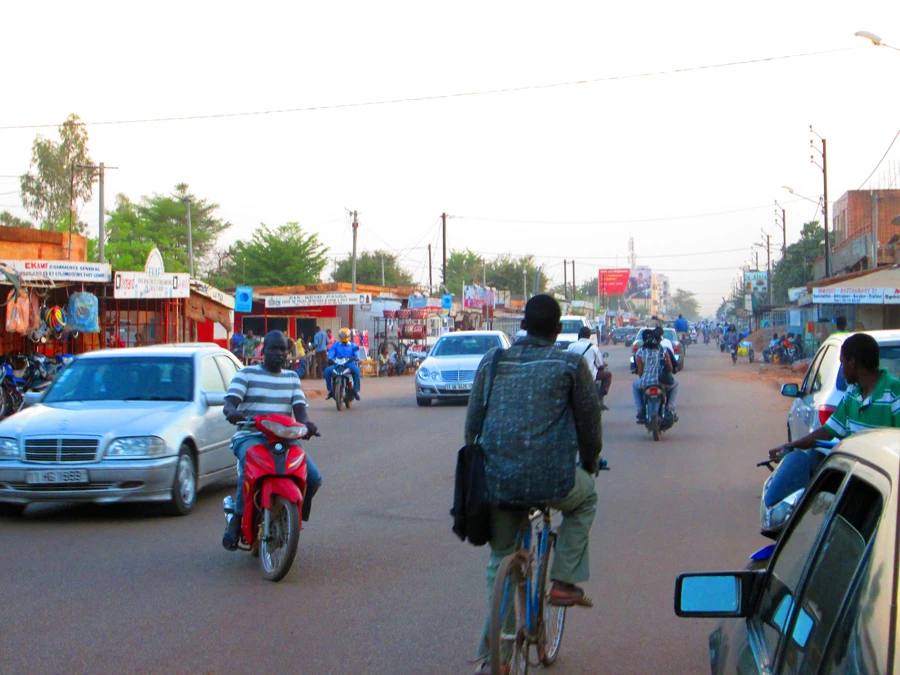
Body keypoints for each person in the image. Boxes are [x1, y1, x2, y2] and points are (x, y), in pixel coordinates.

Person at [465, 294, 602, 674]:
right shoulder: (571, 364)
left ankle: (498, 655)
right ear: (558, 330)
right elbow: (590, 430)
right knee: (586, 497)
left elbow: (472, 425)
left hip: (497, 480)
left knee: (499, 558)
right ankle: (563, 581)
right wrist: (590, 464)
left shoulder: (492, 361)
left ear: (522, 326)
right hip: (553, 480)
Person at [766, 333, 900, 507]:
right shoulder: (852, 393)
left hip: (886, 489)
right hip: (857, 483)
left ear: (853, 363)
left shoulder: (894, 391)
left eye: (843, 362)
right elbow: (827, 431)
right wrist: (790, 447)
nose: (842, 370)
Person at [221, 330, 321, 550]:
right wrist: (232, 412)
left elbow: (300, 410)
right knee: (249, 469)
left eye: (282, 349)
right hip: (250, 436)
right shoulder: (246, 374)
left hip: (284, 438)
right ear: (263, 351)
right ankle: (236, 523)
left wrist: (306, 425)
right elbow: (230, 403)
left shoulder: (292, 378)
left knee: (313, 477)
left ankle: (295, 515)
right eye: (273, 349)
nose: (278, 353)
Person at [633, 328, 677, 422]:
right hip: (661, 382)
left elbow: (640, 372)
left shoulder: (640, 352)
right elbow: (670, 367)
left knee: (635, 386)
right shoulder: (663, 351)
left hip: (645, 382)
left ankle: (640, 411)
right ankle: (670, 409)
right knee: (675, 385)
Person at [567, 326, 610, 410]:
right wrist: (602, 366)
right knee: (608, 375)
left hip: (573, 375)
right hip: (590, 376)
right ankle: (600, 399)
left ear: (579, 335)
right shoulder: (593, 347)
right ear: (589, 336)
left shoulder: (571, 346)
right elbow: (600, 364)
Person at [324, 327, 361, 401]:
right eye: (342, 335)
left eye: (345, 335)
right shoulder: (335, 345)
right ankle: (330, 391)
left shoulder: (353, 345)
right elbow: (331, 354)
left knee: (357, 371)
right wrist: (329, 359)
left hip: (349, 364)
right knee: (327, 371)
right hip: (337, 364)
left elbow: (357, 355)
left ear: (348, 336)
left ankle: (355, 391)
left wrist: (356, 358)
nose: (343, 336)